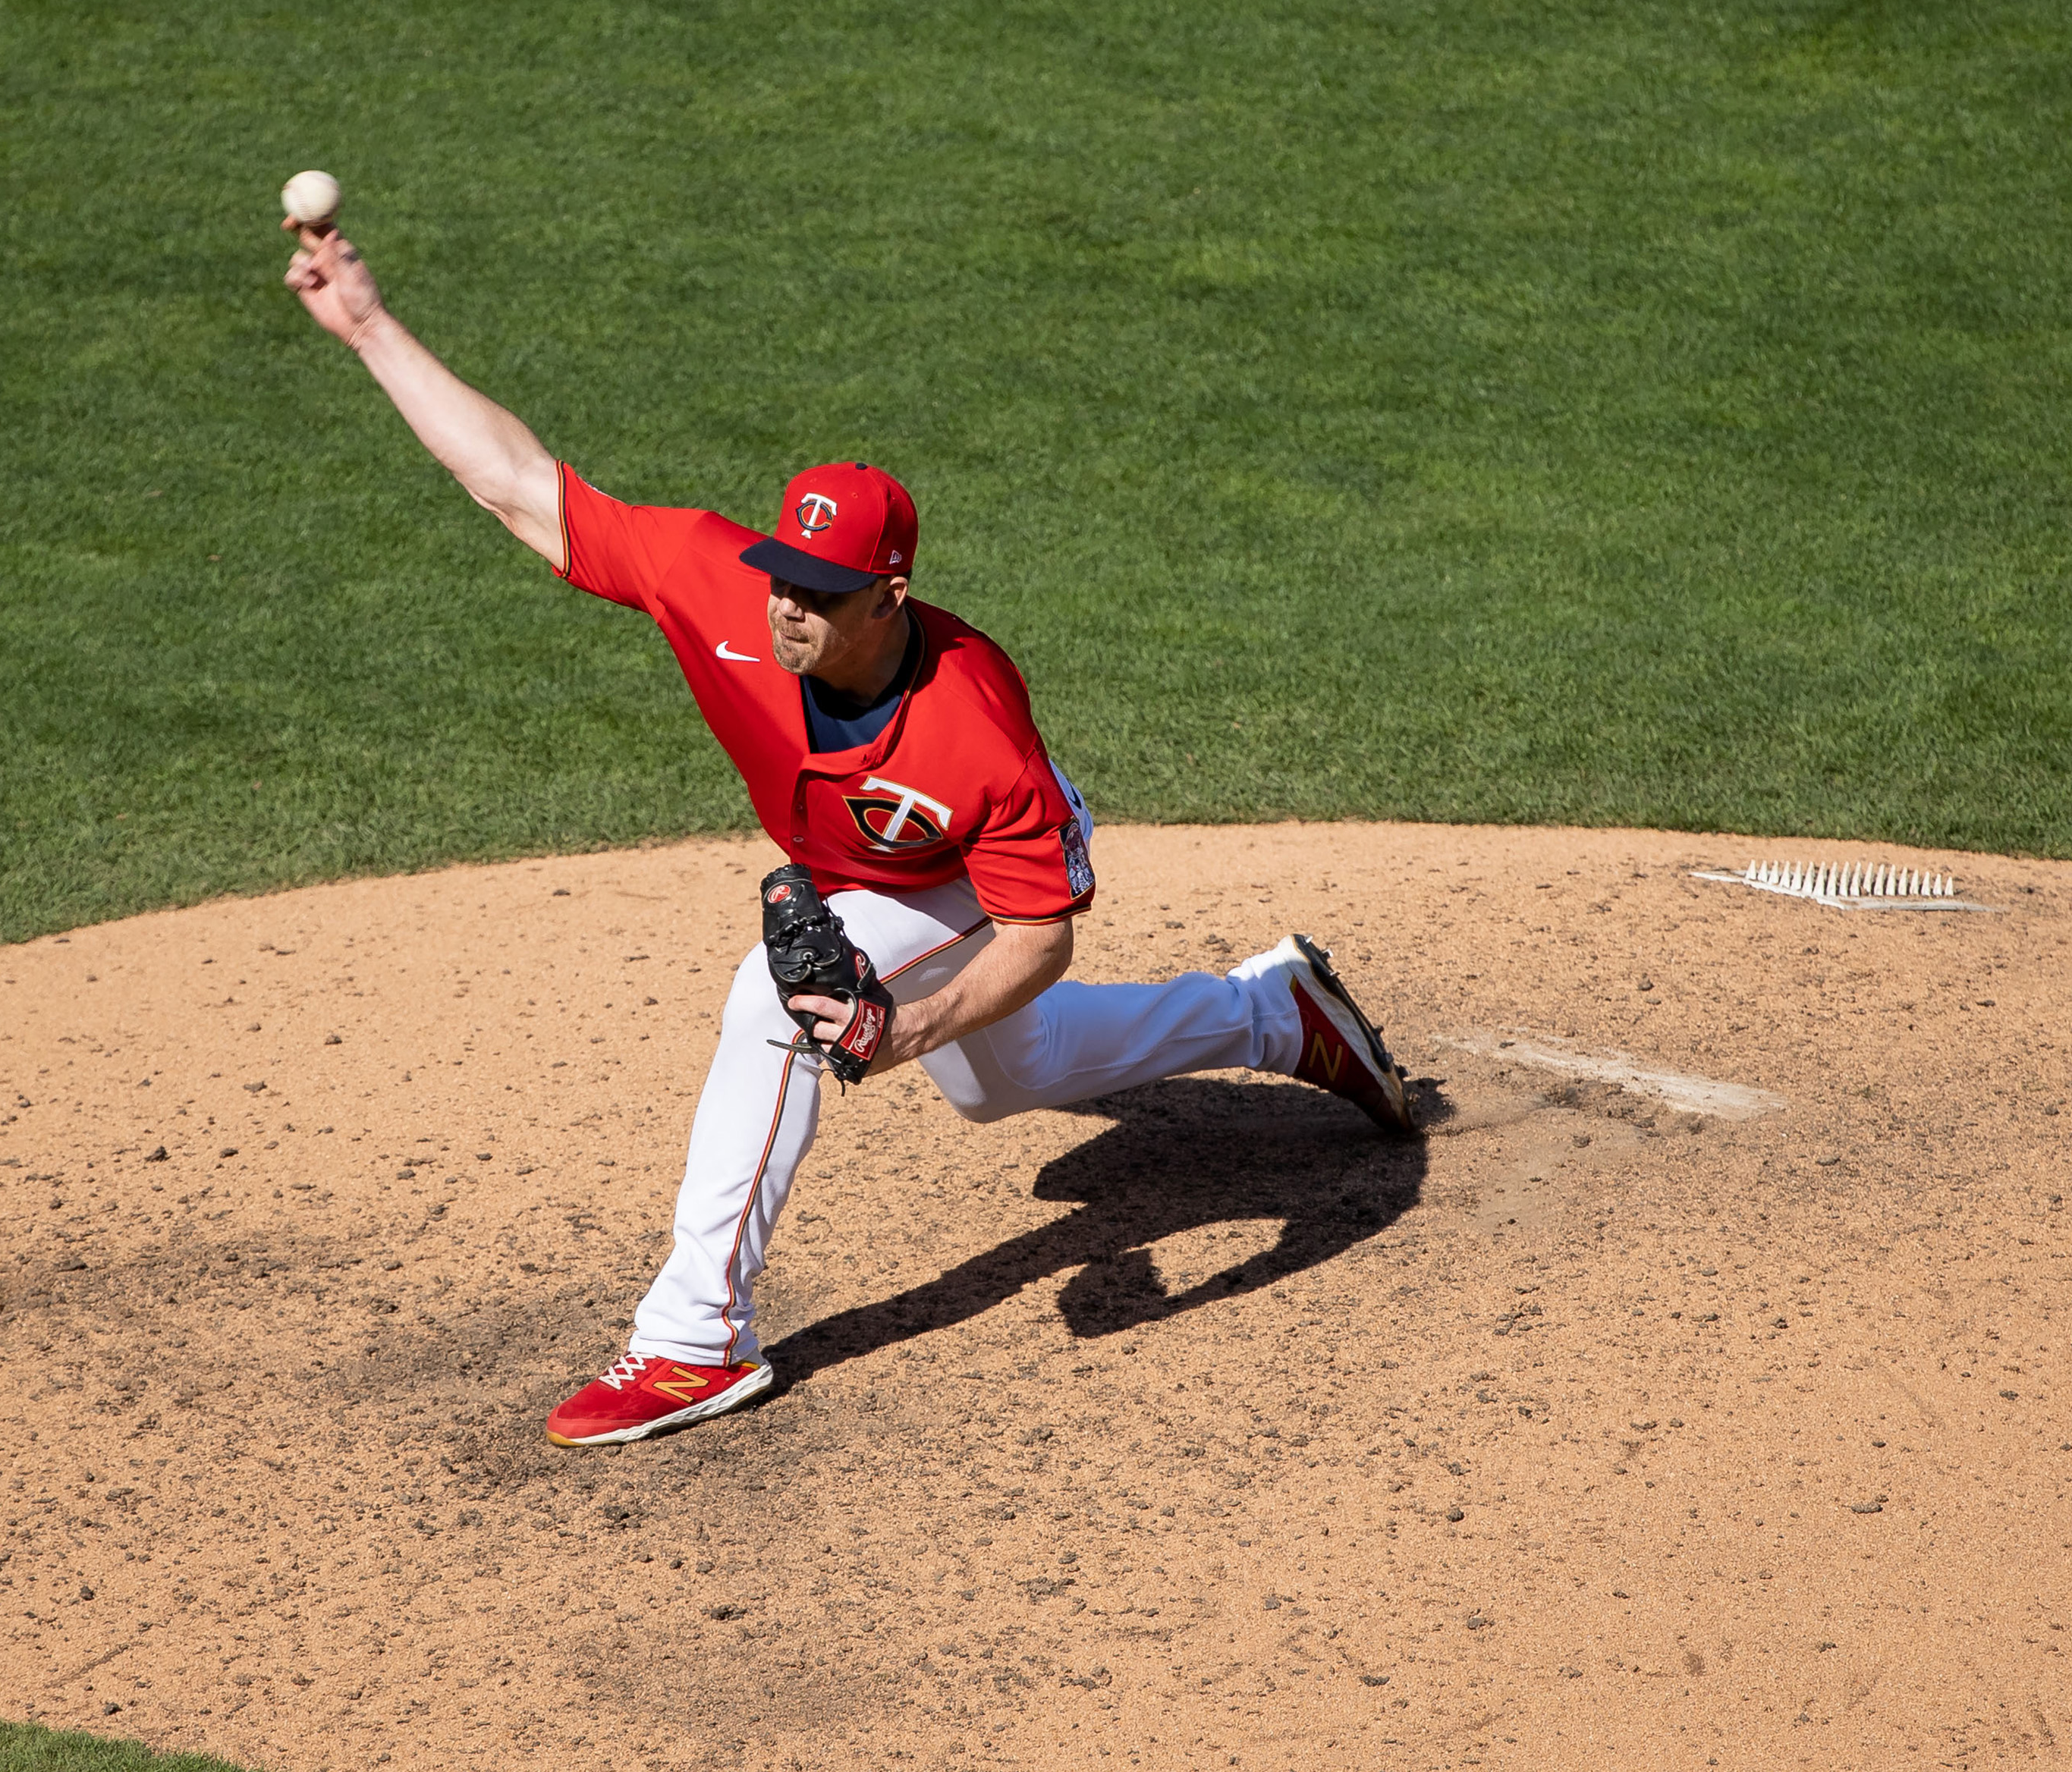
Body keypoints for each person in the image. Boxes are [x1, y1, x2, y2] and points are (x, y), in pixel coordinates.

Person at [281, 217, 1415, 1449]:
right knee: (1006, 1083)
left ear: (889, 592)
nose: (785, 610)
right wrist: (369, 327)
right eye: (781, 578)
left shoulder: (975, 722)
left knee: (774, 1001)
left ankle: (692, 1343)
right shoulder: (723, 586)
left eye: (819, 594)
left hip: (971, 872)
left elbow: (1038, 936)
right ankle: (1273, 1011)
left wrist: (906, 1024)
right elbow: (517, 484)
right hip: (865, 870)